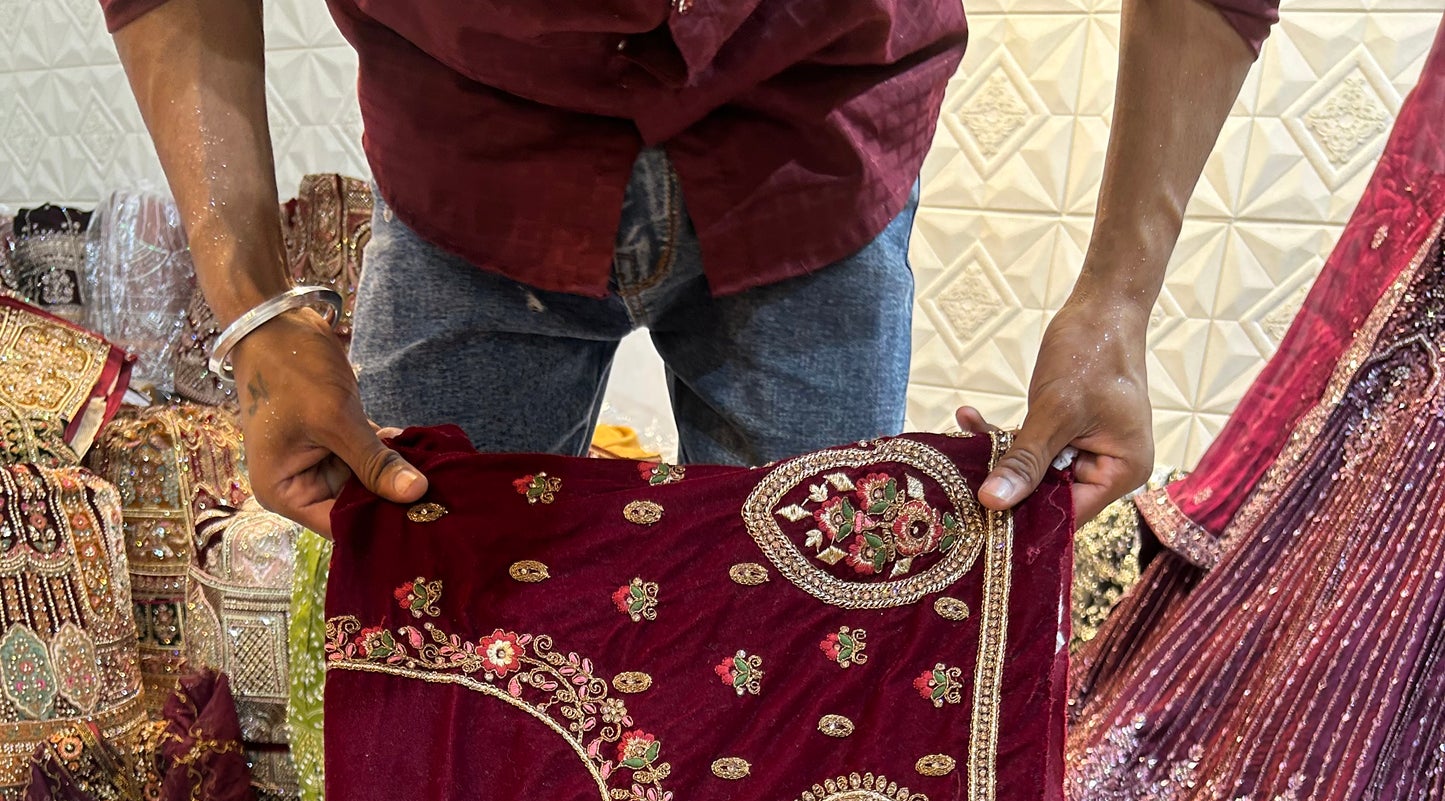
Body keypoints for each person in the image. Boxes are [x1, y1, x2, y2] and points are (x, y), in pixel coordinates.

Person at [102, 0, 1272, 534]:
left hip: (817, 133)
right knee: (432, 672)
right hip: (463, 138)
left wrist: (1118, 305)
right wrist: (254, 316)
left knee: (811, 684)